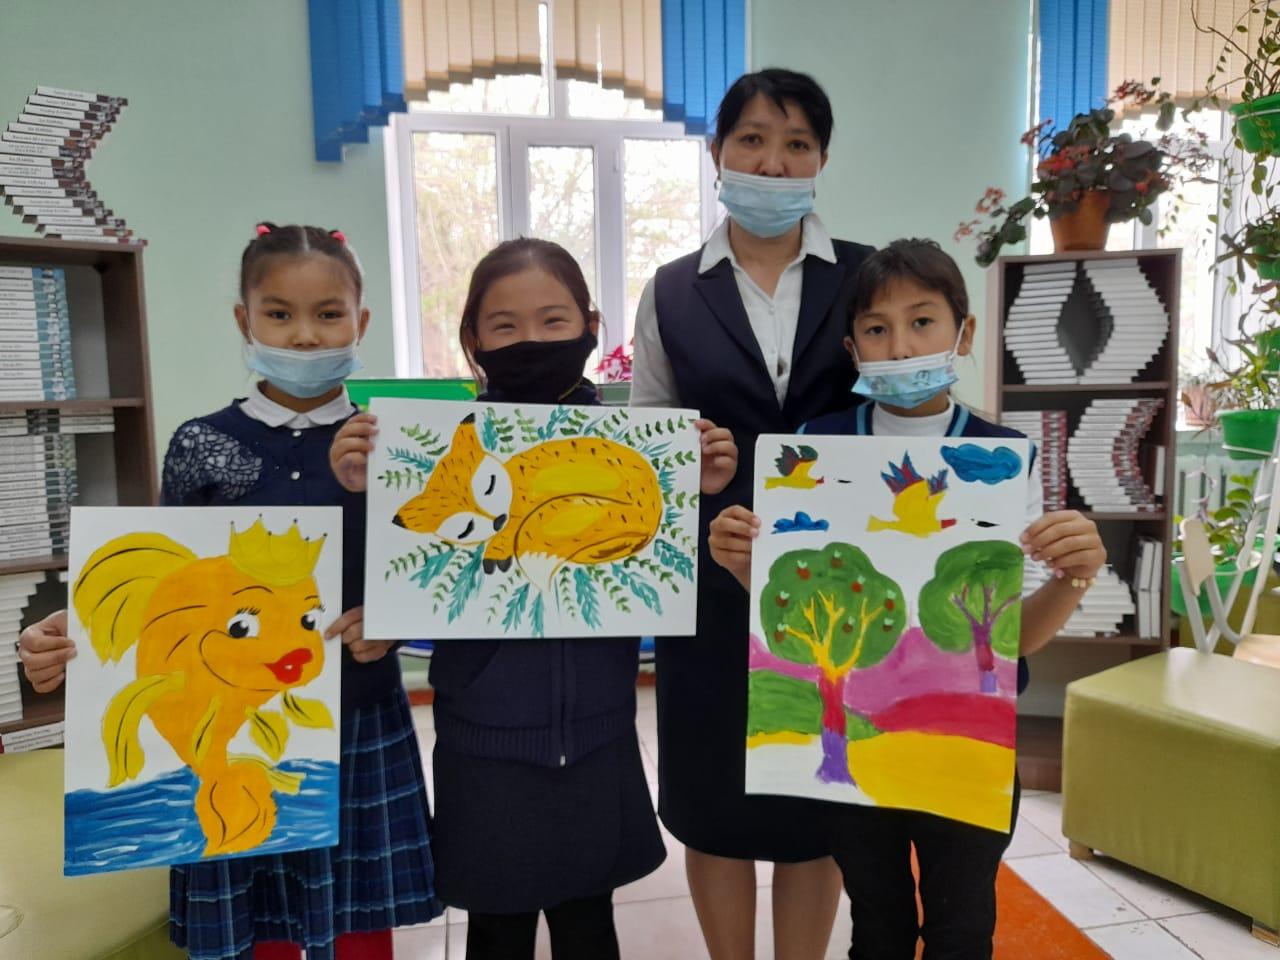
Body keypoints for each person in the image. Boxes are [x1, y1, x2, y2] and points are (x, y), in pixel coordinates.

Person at [19, 223, 440, 960]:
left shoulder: (397, 443)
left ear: (361, 321)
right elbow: (178, 587)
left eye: (328, 314)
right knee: (252, 918)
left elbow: (433, 571)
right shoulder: (201, 444)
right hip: (232, 724)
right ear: (245, 321)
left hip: (358, 715)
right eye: (279, 313)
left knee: (356, 924)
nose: (304, 335)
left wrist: (392, 619)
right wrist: (76, 631)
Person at [328, 237, 738, 960]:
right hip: (482, 741)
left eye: (554, 321)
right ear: (473, 339)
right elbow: (409, 575)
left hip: (599, 733)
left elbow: (668, 569)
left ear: (591, 326)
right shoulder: (432, 448)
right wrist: (363, 486)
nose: (532, 341)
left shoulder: (645, 441)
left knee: (589, 923)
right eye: (506, 325)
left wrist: (697, 490)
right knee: (496, 927)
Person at [707, 238, 1108, 960]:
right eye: (876, 328)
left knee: (962, 927)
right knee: (878, 922)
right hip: (856, 743)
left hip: (972, 749)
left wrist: (1073, 576)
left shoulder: (1005, 455)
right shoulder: (815, 446)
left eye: (922, 321)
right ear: (853, 348)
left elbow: (1019, 636)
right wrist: (742, 565)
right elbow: (790, 603)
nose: (900, 346)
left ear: (964, 332)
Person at [630, 67, 874, 959]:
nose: (773, 163)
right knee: (715, 802)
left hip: (837, 578)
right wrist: (684, 470)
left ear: (821, 160)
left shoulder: (866, 276)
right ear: (717, 151)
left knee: (820, 799)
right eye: (753, 140)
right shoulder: (670, 290)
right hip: (710, 586)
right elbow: (645, 451)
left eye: (797, 144)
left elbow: (899, 411)